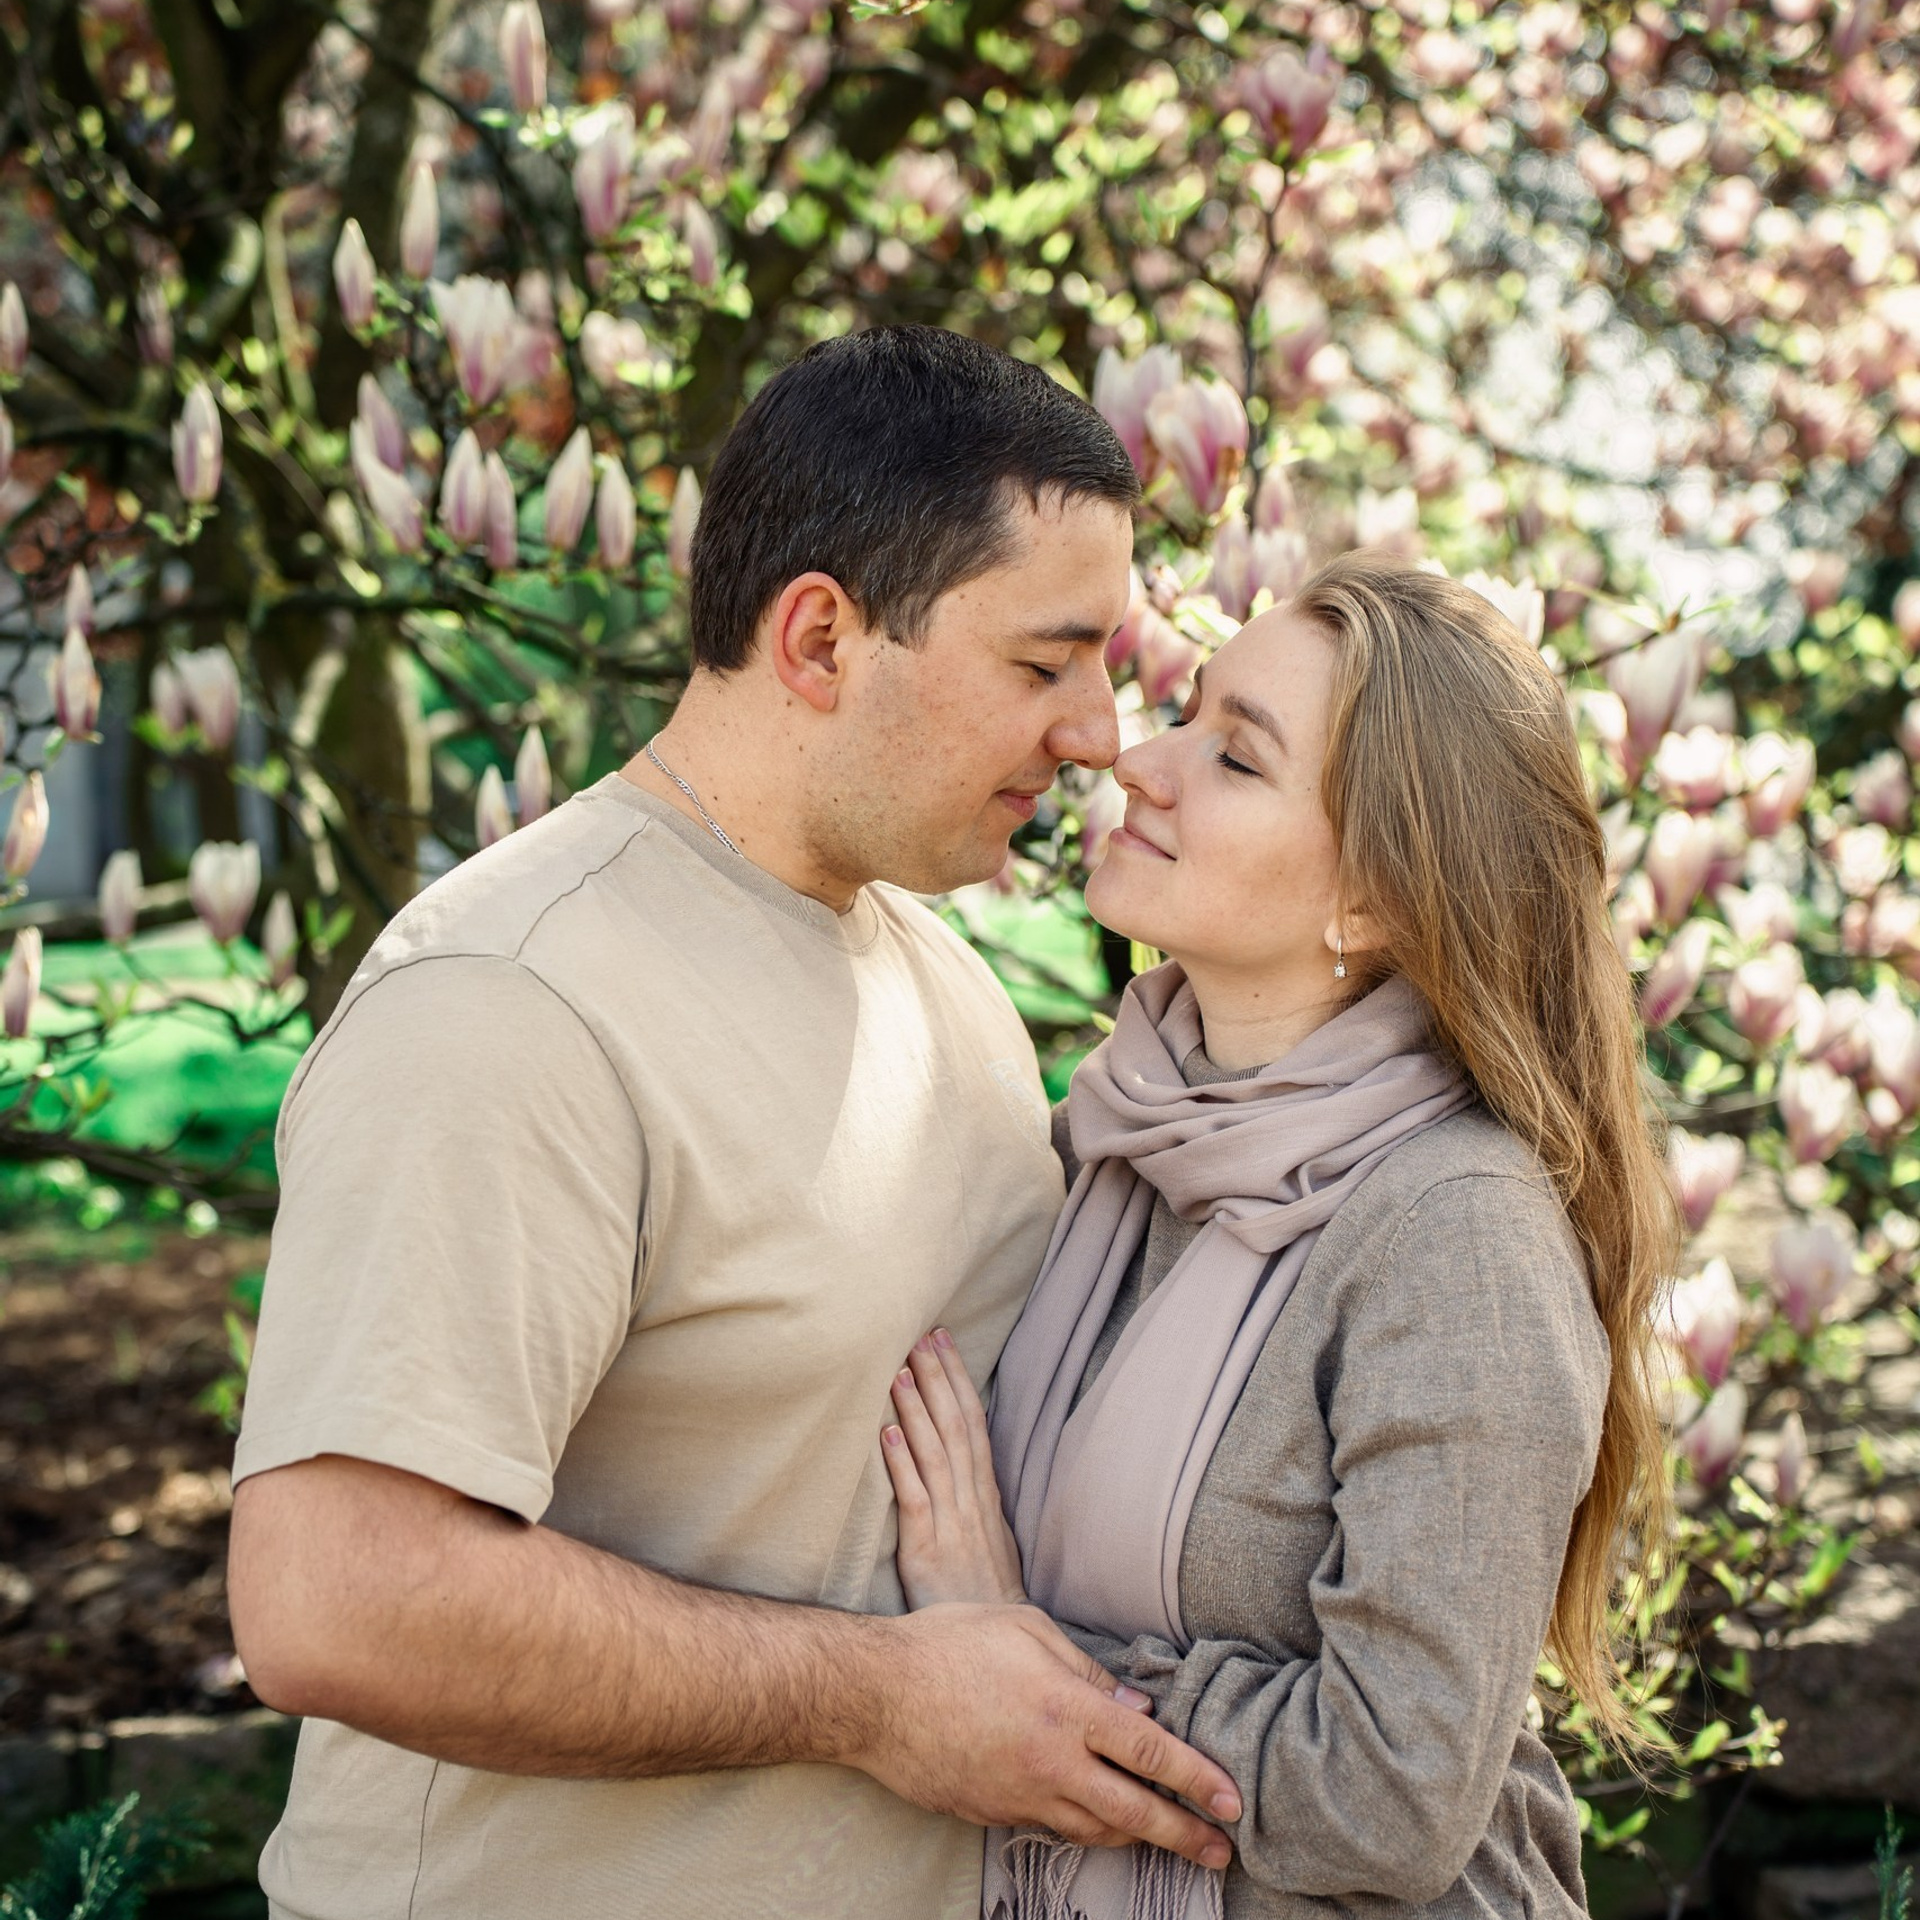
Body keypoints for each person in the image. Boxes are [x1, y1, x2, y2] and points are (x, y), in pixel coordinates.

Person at [225, 325, 1244, 1920]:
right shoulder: (513, 1002)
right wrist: (884, 1702)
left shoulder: (938, 975)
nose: (1100, 734)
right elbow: (334, 1603)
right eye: (1043, 664)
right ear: (822, 640)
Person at [881, 552, 1680, 1919]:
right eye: (1188, 711)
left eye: (1236, 760)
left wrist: (1017, 1649)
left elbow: (1392, 1797)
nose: (1143, 763)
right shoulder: (1120, 1142)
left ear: (1368, 901)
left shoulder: (1452, 1233)